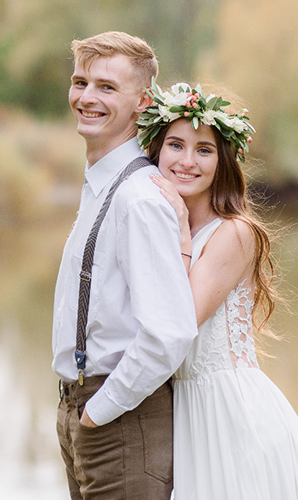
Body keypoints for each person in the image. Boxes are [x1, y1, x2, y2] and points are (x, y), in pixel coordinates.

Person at [52, 33, 198, 500]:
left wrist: (99, 411)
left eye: (106, 87)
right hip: (82, 409)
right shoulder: (102, 184)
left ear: (143, 102)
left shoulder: (138, 198)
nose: (87, 97)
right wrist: (77, 415)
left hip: (119, 419)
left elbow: (169, 333)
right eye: (80, 81)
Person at [136, 79, 298, 499]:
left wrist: (185, 245)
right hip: (187, 414)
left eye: (204, 150)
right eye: (175, 145)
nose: (187, 161)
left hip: (230, 412)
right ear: (155, 150)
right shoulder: (162, 226)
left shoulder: (235, 233)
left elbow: (179, 322)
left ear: (222, 161)